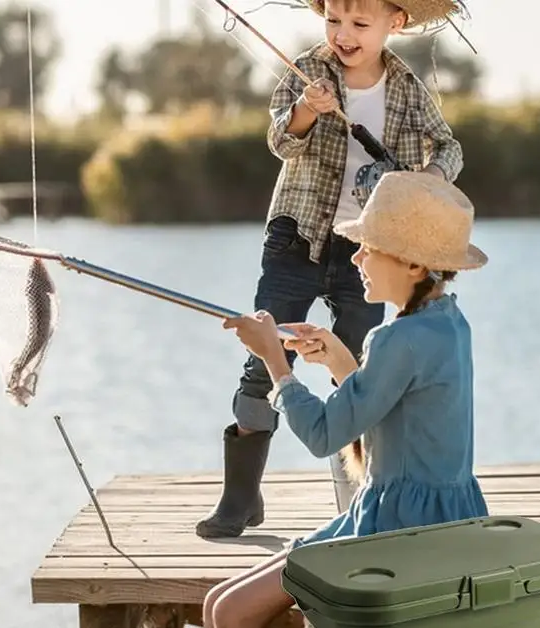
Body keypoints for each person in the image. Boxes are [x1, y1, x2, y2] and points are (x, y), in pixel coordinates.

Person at [180, 170, 490, 628]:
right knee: (216, 606)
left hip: (395, 535)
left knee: (234, 617)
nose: (355, 257)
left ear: (407, 261)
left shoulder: (397, 337)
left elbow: (325, 436)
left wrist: (276, 360)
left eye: (367, 247)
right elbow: (382, 425)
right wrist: (344, 362)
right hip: (425, 515)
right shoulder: (444, 324)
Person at [196, 0, 468, 539]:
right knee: (261, 356)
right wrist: (305, 110)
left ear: (396, 24)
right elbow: (280, 139)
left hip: (368, 251)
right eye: (334, 20)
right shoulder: (308, 72)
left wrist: (429, 177)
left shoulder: (409, 89)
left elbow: (452, 147)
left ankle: (356, 502)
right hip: (296, 236)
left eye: (360, 24)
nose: (343, 34)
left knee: (361, 372)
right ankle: (240, 499)